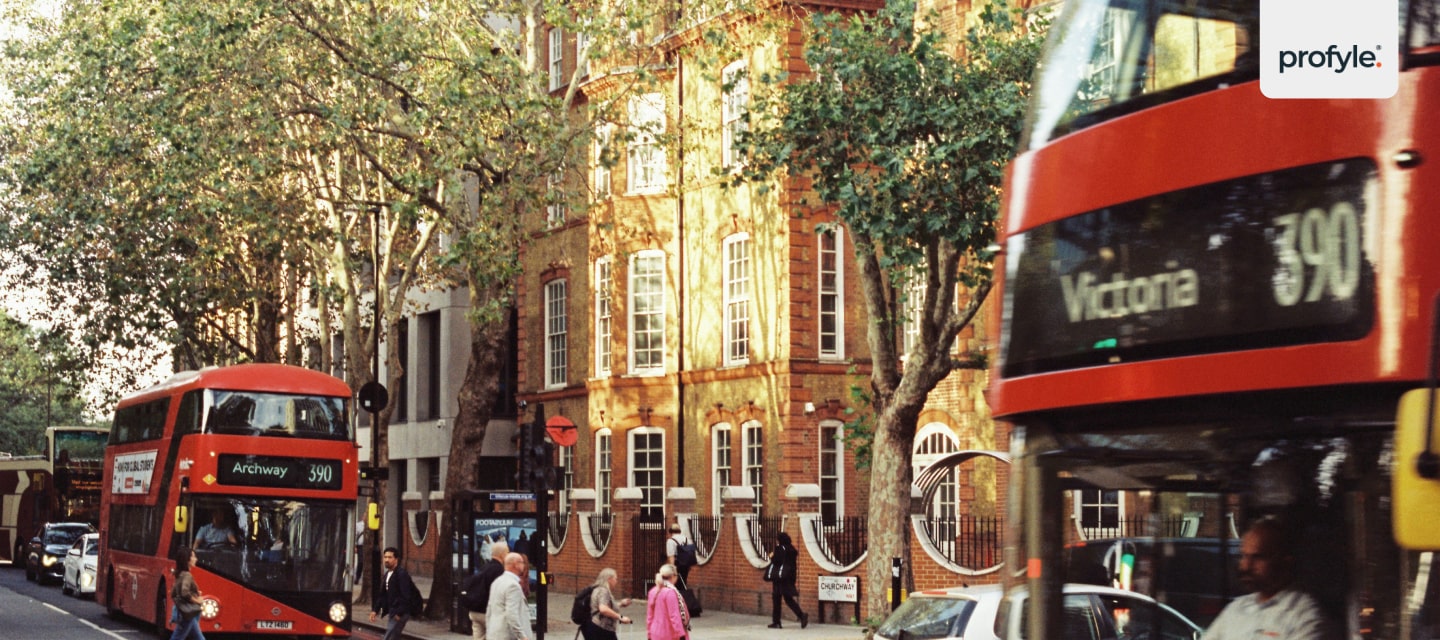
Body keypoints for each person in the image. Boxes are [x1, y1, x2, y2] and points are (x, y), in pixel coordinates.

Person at [1203, 518, 1331, 640]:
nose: (1246, 566)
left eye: (1258, 557)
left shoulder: (1304, 614)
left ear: (1285, 562)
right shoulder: (1235, 609)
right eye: (1243, 556)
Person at [462, 540, 509, 639]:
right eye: (507, 553)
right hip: (487, 612)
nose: (508, 555)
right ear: (502, 554)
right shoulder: (499, 570)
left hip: (474, 611)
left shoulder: (484, 567)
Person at [370, 547, 419, 640]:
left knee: (389, 637)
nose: (387, 560)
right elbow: (383, 595)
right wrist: (375, 610)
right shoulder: (387, 574)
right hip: (393, 611)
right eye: (385, 557)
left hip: (400, 612)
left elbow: (406, 596)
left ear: (396, 559)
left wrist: (399, 613)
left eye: (390, 557)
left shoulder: (401, 574)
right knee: (392, 637)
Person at [485, 552, 531, 640]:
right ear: (515, 565)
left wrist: (489, 631)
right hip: (507, 635)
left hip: (495, 633)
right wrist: (522, 636)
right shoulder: (513, 586)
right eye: (522, 562)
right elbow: (511, 613)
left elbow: (489, 610)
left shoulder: (497, 581)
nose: (524, 565)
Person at [767, 531, 808, 629]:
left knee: (776, 599)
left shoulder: (780, 549)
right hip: (789, 577)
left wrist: (771, 556)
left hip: (780, 578)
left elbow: (776, 561)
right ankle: (801, 615)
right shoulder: (791, 549)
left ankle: (777, 622)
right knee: (788, 599)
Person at [584, 568, 633, 640]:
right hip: (602, 629)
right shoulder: (603, 591)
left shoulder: (597, 589)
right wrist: (620, 617)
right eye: (615, 579)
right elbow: (603, 609)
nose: (616, 581)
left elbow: (604, 605)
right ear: (609, 579)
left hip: (597, 628)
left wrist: (621, 604)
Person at [169, 545, 206, 640]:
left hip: (184, 612)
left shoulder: (180, 574)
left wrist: (195, 593)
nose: (196, 559)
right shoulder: (187, 575)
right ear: (187, 560)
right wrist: (198, 600)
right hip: (188, 612)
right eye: (193, 556)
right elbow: (184, 593)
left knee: (193, 637)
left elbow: (173, 593)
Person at [646, 564, 689, 640]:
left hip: (655, 633)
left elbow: (650, 616)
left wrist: (649, 634)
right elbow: (674, 616)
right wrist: (681, 635)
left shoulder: (653, 591)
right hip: (669, 634)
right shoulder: (670, 593)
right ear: (673, 577)